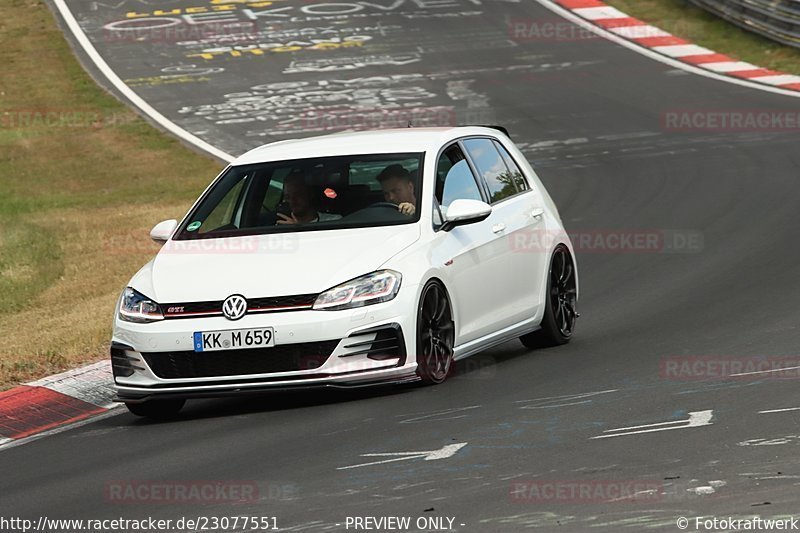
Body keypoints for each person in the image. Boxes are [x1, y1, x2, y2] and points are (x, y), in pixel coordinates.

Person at [277, 171, 342, 225]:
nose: (292, 200)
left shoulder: (333, 221)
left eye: (297, 194)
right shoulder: (281, 225)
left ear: (310, 194)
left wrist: (297, 229)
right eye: (287, 197)